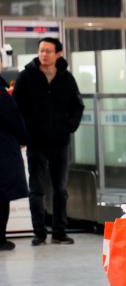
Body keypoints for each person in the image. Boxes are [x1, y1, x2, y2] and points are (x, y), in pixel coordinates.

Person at [13, 37, 84, 245]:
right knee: (36, 190)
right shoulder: (26, 77)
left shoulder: (66, 78)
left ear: (58, 54)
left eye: (48, 51)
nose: (44, 54)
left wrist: (69, 126)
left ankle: (59, 232)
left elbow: (78, 106)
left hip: (60, 142)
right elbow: (16, 108)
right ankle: (39, 232)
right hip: (35, 141)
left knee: (60, 189)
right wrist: (23, 134)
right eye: (41, 50)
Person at [0, 68, 29, 251]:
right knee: (2, 197)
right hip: (3, 151)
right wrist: (24, 139)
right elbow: (14, 120)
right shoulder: (2, 95)